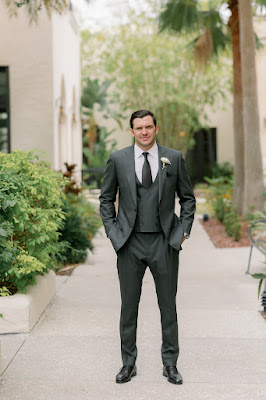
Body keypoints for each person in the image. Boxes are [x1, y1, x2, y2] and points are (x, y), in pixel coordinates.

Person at [99, 109, 196, 385]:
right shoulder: (118, 159)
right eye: (138, 128)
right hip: (129, 243)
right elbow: (106, 200)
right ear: (131, 131)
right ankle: (128, 363)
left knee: (168, 306)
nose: (144, 132)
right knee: (128, 307)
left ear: (156, 128)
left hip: (164, 242)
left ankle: (170, 364)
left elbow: (188, 199)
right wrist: (114, 235)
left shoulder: (173, 158)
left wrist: (182, 232)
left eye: (148, 127)